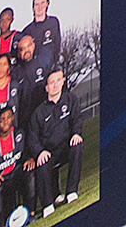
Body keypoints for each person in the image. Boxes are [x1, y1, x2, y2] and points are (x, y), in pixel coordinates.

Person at [27, 68, 85, 209]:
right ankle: (48, 205)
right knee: (41, 161)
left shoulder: (70, 99)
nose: (56, 84)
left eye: (59, 80)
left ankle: (71, 191)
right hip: (49, 153)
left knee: (78, 145)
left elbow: (77, 119)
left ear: (63, 81)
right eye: (52, 82)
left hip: (66, 148)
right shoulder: (39, 112)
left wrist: (76, 133)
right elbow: (32, 137)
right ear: (46, 88)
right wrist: (40, 151)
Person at [22, 0, 64, 76]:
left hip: (52, 71)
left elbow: (57, 45)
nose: (39, 7)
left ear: (47, 4)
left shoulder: (53, 22)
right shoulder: (27, 30)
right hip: (34, 74)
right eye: (37, 4)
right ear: (33, 8)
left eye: (42, 3)